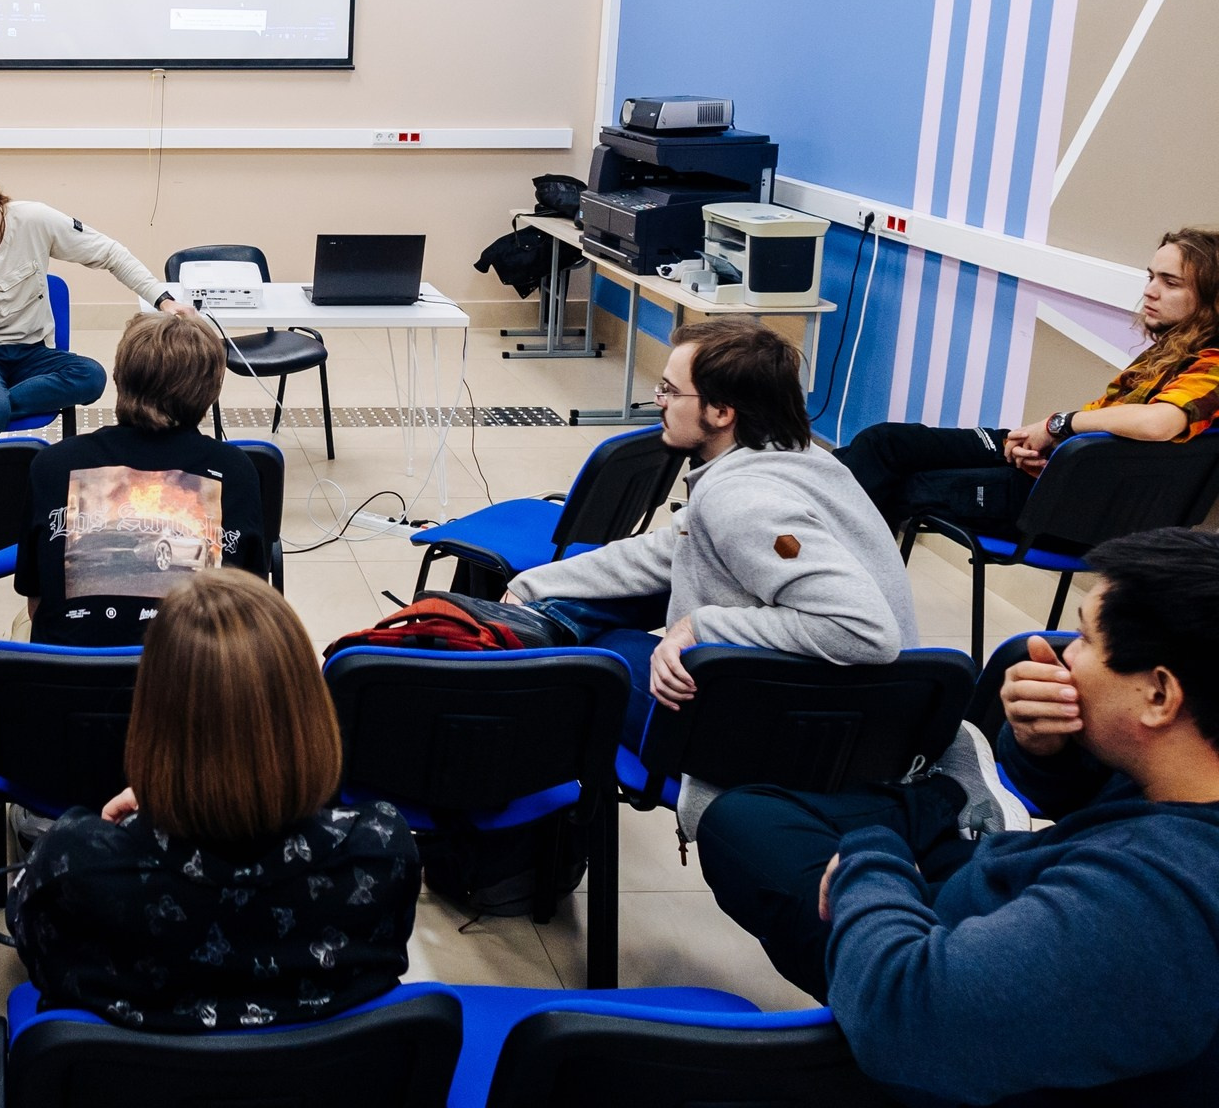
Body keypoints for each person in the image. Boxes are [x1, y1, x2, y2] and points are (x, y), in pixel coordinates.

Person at [697, 529, 1219, 1104]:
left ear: (1159, 696)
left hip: (928, 970)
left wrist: (871, 857)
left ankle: (938, 798)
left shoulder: (1158, 905)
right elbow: (1103, 806)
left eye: (1086, 639)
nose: (1063, 653)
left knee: (741, 824)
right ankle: (947, 794)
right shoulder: (1185, 785)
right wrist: (1046, 751)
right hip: (1008, 890)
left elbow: (902, 1015)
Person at [8, 570, 420, 1032]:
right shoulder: (382, 852)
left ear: (152, 718)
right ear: (309, 713)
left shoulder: (74, 867)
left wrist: (104, 839)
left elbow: (33, 945)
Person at [504, 319, 918, 778]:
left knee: (591, 663)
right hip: (865, 714)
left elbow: (865, 631)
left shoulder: (741, 501)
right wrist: (536, 583)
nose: (659, 402)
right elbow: (670, 550)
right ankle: (520, 632)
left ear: (722, 412)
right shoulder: (798, 455)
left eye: (670, 390)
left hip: (806, 735)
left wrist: (699, 627)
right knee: (586, 608)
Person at [836, 226, 1219, 540]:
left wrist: (1058, 425)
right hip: (1060, 467)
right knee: (880, 445)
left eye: (1170, 283)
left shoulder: (1212, 366)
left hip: (1068, 505)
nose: (1149, 291)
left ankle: (841, 601)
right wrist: (1049, 443)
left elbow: (1158, 423)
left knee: (886, 481)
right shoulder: (1175, 348)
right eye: (1151, 277)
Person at [15, 311, 270, 647]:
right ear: (211, 391)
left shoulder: (52, 464)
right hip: (196, 690)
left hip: (70, 687)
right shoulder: (237, 470)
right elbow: (249, 611)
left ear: (120, 377)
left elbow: (37, 604)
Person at [0, 152, 193, 444]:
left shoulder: (34, 220)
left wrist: (164, 300)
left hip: (32, 353)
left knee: (91, 378)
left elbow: (109, 253)